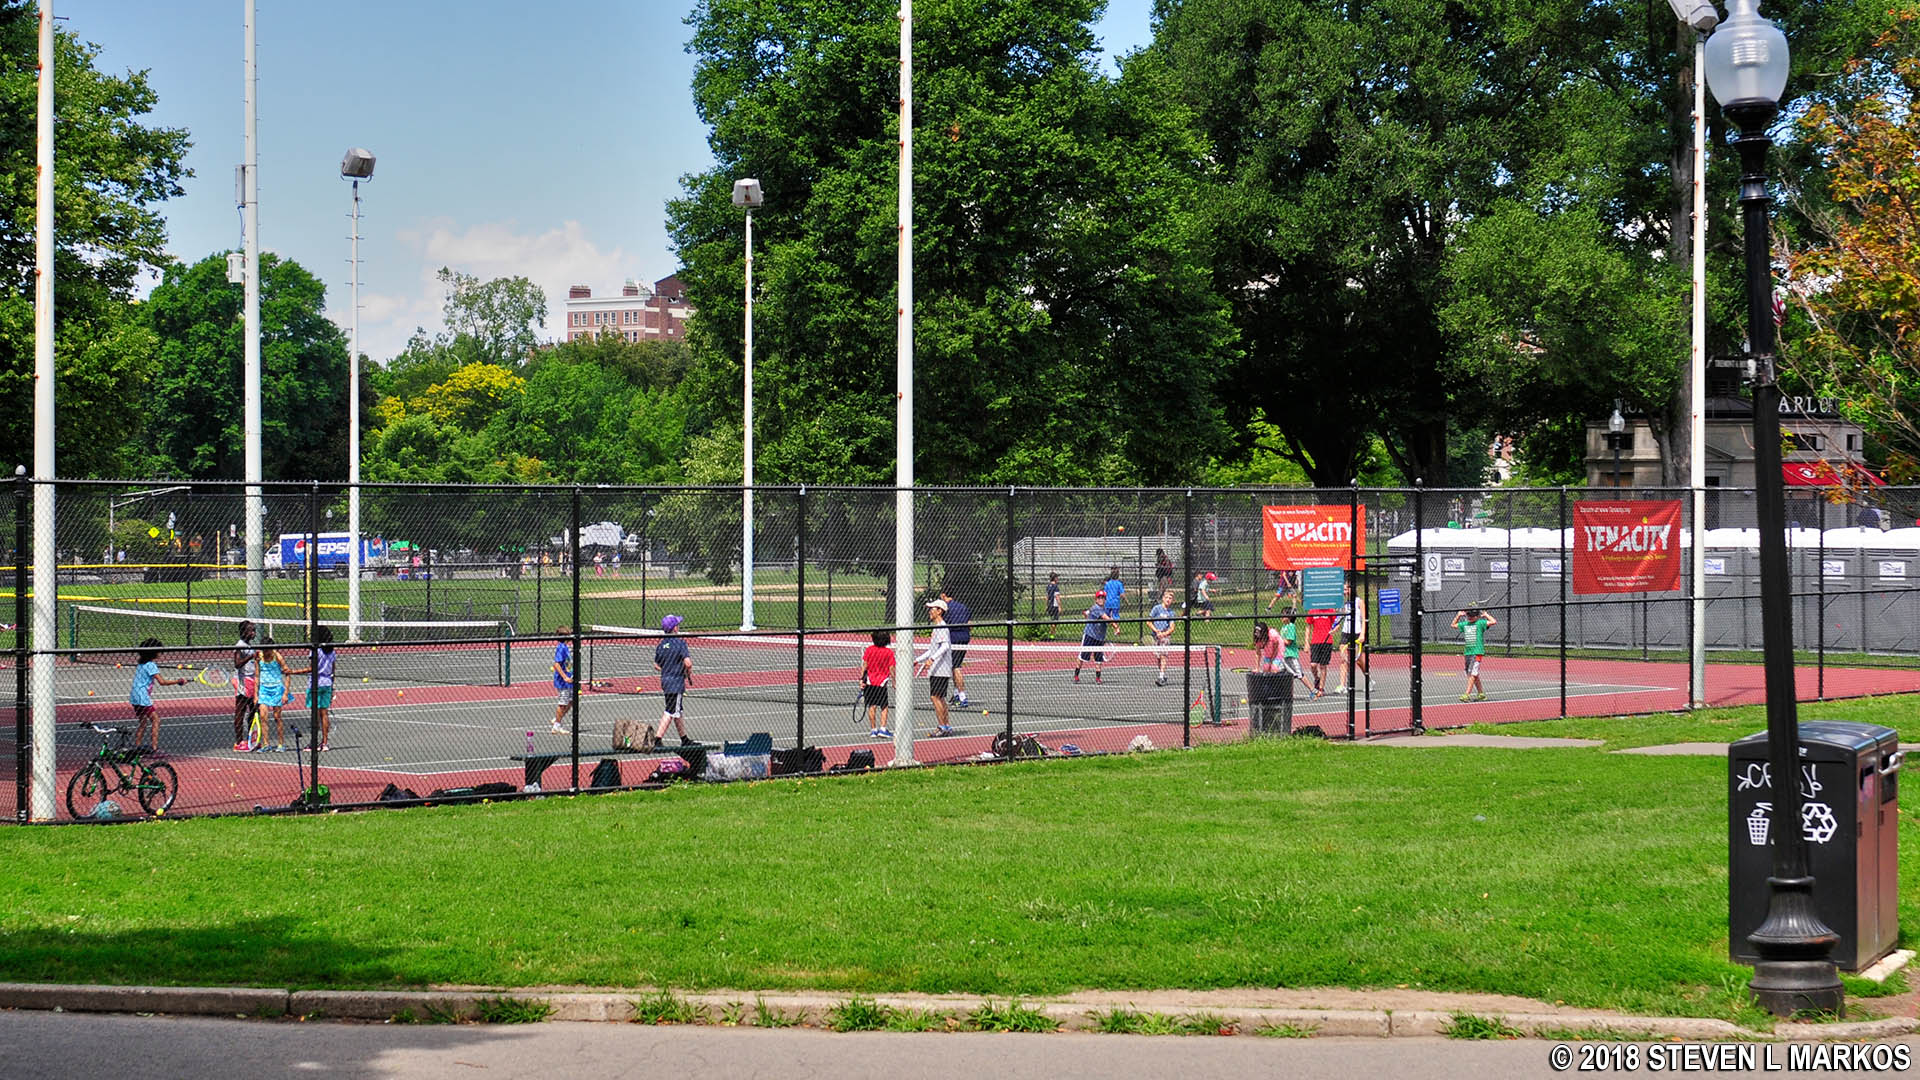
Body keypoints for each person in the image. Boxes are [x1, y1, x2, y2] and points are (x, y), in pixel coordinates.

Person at [129, 637, 186, 753]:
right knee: (156, 720)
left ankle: (137, 747)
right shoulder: (151, 665)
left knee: (143, 722)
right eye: (159, 650)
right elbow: (162, 682)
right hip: (142, 697)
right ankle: (154, 748)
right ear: (153, 652)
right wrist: (178, 681)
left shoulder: (141, 664)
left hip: (134, 696)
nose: (160, 652)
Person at [913, 598, 955, 736]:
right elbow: (932, 649)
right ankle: (946, 726)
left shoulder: (942, 627)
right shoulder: (937, 628)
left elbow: (944, 647)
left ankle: (942, 726)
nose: (930, 611)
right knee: (940, 697)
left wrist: (932, 659)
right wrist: (918, 660)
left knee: (935, 697)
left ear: (940, 611)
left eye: (932, 609)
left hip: (940, 669)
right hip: (937, 669)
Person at [653, 614, 695, 745]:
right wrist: (687, 672)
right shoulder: (680, 643)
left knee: (678, 710)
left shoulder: (661, 645)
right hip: (676, 683)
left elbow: (656, 664)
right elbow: (688, 663)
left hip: (666, 681)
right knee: (671, 710)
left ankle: (684, 739)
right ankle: (658, 739)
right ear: (675, 628)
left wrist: (667, 669)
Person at [1453, 607, 1497, 702]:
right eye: (1468, 615)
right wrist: (1458, 615)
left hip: (1477, 652)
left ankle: (1466, 694)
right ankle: (1481, 694)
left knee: (1472, 673)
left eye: (1472, 616)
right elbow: (1453, 625)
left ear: (1477, 617)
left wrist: (1486, 615)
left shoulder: (1480, 623)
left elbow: (1493, 621)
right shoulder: (1465, 624)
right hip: (1468, 652)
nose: (1470, 617)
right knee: (1472, 674)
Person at [256, 638, 292, 752]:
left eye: (268, 650)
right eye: (264, 650)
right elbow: (256, 675)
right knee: (263, 716)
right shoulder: (258, 657)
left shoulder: (278, 657)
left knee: (277, 717)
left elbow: (288, 673)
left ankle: (281, 743)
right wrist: (255, 694)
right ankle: (266, 744)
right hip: (263, 689)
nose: (266, 652)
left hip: (276, 688)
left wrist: (285, 693)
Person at [1336, 583, 1371, 694]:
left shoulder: (1359, 602)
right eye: (1343, 590)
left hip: (1357, 633)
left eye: (1346, 589)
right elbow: (1340, 617)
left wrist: (1362, 634)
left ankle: (1368, 680)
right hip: (1345, 633)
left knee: (1360, 661)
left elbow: (1365, 619)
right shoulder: (1344, 604)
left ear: (1351, 589)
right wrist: (1335, 628)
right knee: (1343, 658)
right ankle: (1342, 685)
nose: (1344, 592)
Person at [1074, 593, 1116, 683]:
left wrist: (1086, 614)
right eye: (1099, 598)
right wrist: (1116, 626)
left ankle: (1098, 678)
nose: (1101, 599)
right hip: (1090, 636)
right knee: (1082, 657)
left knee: (1098, 659)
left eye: (1103, 598)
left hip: (1100, 638)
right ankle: (1076, 675)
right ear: (1096, 599)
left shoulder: (1104, 609)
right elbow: (1106, 618)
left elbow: (1088, 613)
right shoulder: (1096, 608)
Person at [941, 585, 972, 708]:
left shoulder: (945, 608)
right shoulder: (963, 607)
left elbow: (942, 625)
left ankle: (962, 696)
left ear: (944, 595)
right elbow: (970, 624)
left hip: (953, 639)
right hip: (964, 638)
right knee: (953, 666)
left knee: (955, 667)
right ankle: (956, 694)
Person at [231, 620, 259, 752]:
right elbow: (237, 664)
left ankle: (250, 739)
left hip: (252, 680)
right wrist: (250, 657)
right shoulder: (240, 646)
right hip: (243, 681)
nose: (253, 633)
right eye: (250, 630)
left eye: (254, 630)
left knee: (253, 711)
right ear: (243, 632)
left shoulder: (249, 645)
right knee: (240, 711)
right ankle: (238, 741)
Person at [862, 629, 895, 739]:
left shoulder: (869, 650)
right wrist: (894, 681)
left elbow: (864, 665)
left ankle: (873, 730)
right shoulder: (889, 652)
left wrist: (862, 679)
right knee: (884, 706)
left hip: (870, 682)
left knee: (872, 705)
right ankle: (883, 728)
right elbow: (891, 668)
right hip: (882, 683)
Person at [310, 626, 336, 752]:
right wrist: (332, 685)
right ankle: (325, 742)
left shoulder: (316, 651)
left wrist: (295, 671)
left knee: (315, 714)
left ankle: (314, 742)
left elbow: (312, 668)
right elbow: (333, 670)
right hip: (327, 683)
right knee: (324, 714)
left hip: (315, 683)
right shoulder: (332, 652)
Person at [1305, 605, 1337, 699]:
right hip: (1315, 641)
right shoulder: (1312, 610)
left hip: (1327, 641)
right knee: (1313, 665)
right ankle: (1316, 679)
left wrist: (1334, 630)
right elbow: (1308, 626)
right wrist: (1306, 642)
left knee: (1323, 666)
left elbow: (1336, 623)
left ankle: (1321, 688)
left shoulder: (1330, 610)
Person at [1148, 590, 1176, 686]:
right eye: (1167, 598)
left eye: (1170, 598)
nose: (1168, 600)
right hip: (1156, 636)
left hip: (1165, 637)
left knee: (1164, 656)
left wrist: (1164, 634)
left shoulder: (1171, 613)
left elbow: (1172, 627)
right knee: (1158, 657)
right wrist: (1157, 631)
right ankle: (1162, 674)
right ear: (1163, 598)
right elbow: (1149, 622)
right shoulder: (1156, 608)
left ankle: (1161, 676)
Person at [1279, 615, 1312, 694]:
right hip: (1283, 655)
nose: (1281, 617)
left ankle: (1313, 690)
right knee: (1280, 674)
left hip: (1291, 655)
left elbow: (1288, 642)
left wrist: (1278, 638)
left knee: (1299, 675)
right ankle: (1286, 694)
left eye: (1284, 615)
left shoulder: (1291, 626)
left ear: (1289, 617)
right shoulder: (1283, 627)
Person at [551, 626, 575, 734]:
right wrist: (565, 677)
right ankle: (557, 725)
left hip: (569, 680)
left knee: (571, 701)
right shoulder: (561, 648)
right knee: (563, 703)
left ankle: (557, 719)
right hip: (563, 681)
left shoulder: (565, 647)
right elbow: (556, 664)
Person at [1044, 573, 1062, 639]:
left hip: (1049, 605)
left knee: (1052, 620)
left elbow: (1047, 597)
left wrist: (1046, 605)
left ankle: (1051, 633)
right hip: (1055, 605)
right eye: (1057, 578)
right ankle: (1052, 635)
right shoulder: (1055, 587)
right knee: (1055, 621)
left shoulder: (1048, 586)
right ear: (1054, 578)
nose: (1058, 579)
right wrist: (1059, 606)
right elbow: (1057, 597)